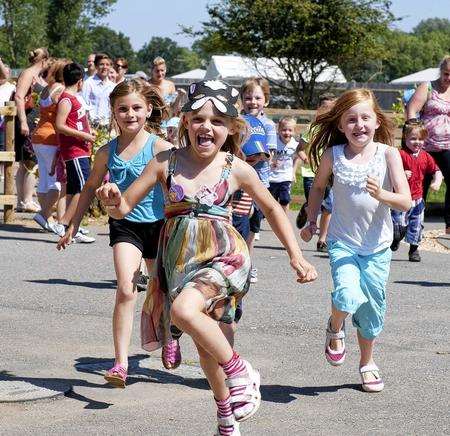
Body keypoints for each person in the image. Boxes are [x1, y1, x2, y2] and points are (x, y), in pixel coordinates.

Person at [96, 80, 317, 435]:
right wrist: (110, 198)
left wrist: (296, 256)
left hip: (224, 256)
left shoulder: (235, 167)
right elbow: (123, 208)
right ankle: (225, 413)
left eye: (217, 121)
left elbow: (274, 209)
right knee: (207, 352)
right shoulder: (164, 161)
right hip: (181, 262)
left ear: (230, 127)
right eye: (198, 119)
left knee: (186, 315)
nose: (206, 127)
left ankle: (242, 371)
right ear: (185, 122)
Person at [57, 78, 180, 386]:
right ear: (113, 112)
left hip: (161, 225)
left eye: (137, 108)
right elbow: (87, 188)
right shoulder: (105, 152)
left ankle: (170, 337)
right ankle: (121, 363)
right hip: (125, 225)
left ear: (148, 109)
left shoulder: (163, 149)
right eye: (122, 109)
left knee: (163, 291)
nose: (130, 114)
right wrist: (73, 224)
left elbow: (179, 189)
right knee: (127, 289)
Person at [301, 88, 411, 393]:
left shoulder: (388, 154)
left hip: (377, 247)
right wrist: (311, 220)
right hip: (343, 242)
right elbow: (318, 187)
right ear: (340, 125)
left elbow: (405, 202)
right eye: (351, 119)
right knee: (348, 294)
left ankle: (367, 363)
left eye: (365, 117)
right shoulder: (333, 155)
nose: (359, 124)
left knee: (372, 309)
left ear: (377, 121)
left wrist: (382, 195)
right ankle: (335, 327)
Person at [407, 55, 450, 235]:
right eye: (446, 74)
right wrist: (413, 134)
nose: (448, 78)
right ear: (440, 71)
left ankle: (449, 224)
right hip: (426, 146)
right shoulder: (428, 86)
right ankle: (413, 224)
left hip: (448, 145)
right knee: (420, 184)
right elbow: (411, 109)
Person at [240, 77, 277, 282]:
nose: (253, 101)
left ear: (266, 100)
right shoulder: (237, 121)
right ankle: (237, 261)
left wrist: (251, 159)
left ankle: (248, 262)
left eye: (257, 97)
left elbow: (268, 153)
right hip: (238, 180)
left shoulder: (268, 125)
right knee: (238, 222)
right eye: (248, 97)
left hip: (259, 181)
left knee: (252, 227)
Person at [54, 62, 96, 243]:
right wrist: (84, 135)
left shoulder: (74, 97)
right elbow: (60, 126)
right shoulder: (66, 99)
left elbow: (76, 121)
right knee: (84, 188)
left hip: (81, 149)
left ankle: (73, 224)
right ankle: (64, 224)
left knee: (74, 188)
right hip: (74, 150)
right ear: (80, 81)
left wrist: (88, 132)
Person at [391, 120, 442, 262]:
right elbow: (387, 172)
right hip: (401, 197)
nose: (417, 142)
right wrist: (400, 173)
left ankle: (414, 249)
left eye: (420, 139)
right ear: (405, 138)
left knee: (417, 224)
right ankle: (395, 239)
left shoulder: (425, 156)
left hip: (418, 198)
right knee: (399, 225)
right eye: (413, 138)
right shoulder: (399, 154)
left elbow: (436, 171)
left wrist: (437, 182)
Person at [31, 59, 69, 233]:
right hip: (51, 138)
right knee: (57, 182)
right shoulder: (60, 90)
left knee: (45, 180)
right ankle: (43, 213)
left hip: (38, 137)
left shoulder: (46, 89)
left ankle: (47, 218)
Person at [296, 93, 336, 252]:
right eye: (324, 108)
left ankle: (322, 239)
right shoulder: (311, 129)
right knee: (317, 205)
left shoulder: (335, 130)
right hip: (310, 174)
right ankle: (307, 209)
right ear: (318, 109)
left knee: (329, 206)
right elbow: (300, 149)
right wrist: (305, 157)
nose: (327, 112)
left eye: (331, 109)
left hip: (329, 174)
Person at [14, 47, 50, 212]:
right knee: (30, 162)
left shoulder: (38, 76)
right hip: (28, 121)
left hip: (34, 121)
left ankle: (23, 201)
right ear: (44, 60)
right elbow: (19, 96)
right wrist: (23, 121)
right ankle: (26, 200)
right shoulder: (28, 73)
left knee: (26, 163)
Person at [269, 116, 298, 213]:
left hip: (286, 176)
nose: (287, 133)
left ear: (294, 131)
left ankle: (284, 219)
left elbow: (297, 158)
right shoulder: (274, 142)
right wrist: (271, 161)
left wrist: (293, 172)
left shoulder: (295, 145)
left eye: (290, 130)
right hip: (272, 176)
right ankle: (273, 219)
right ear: (279, 130)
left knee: (285, 200)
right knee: (271, 201)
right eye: (284, 130)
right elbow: (269, 153)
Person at [82, 53, 115, 127]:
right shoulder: (88, 83)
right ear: (96, 66)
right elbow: (84, 107)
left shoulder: (113, 86)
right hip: (92, 126)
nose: (105, 67)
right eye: (101, 64)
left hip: (109, 126)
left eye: (107, 64)